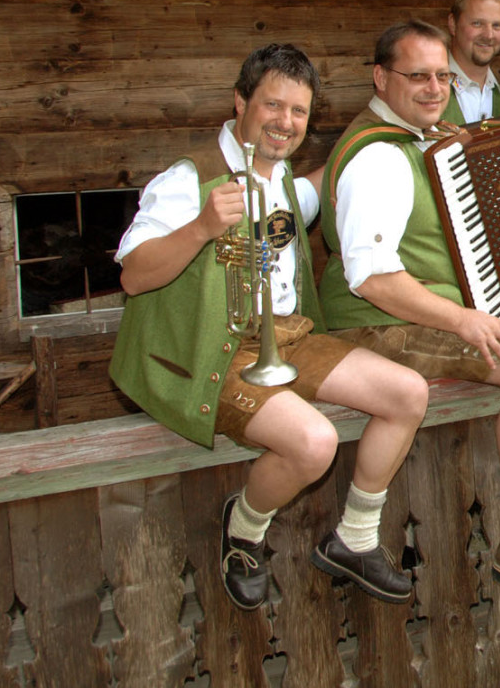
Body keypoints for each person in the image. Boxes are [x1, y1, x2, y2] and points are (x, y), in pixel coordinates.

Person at [111, 44, 426, 611]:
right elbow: (134, 276)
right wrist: (203, 226)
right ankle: (245, 531)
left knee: (407, 393)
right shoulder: (190, 179)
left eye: (299, 112)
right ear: (240, 102)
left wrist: (410, 139)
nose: (285, 122)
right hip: (217, 349)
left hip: (285, 336)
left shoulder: (278, 177)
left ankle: (354, 539)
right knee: (314, 443)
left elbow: (320, 183)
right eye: (272, 106)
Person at [318, 21, 500, 608]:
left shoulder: (430, 139)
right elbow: (371, 279)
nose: (434, 88)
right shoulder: (377, 158)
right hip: (373, 324)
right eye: (417, 76)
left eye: (443, 75)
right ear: (380, 77)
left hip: (419, 315)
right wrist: (465, 320)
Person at [443, 0, 500, 125]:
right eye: (477, 23)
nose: (488, 35)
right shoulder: (427, 92)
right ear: (453, 24)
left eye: (496, 25)